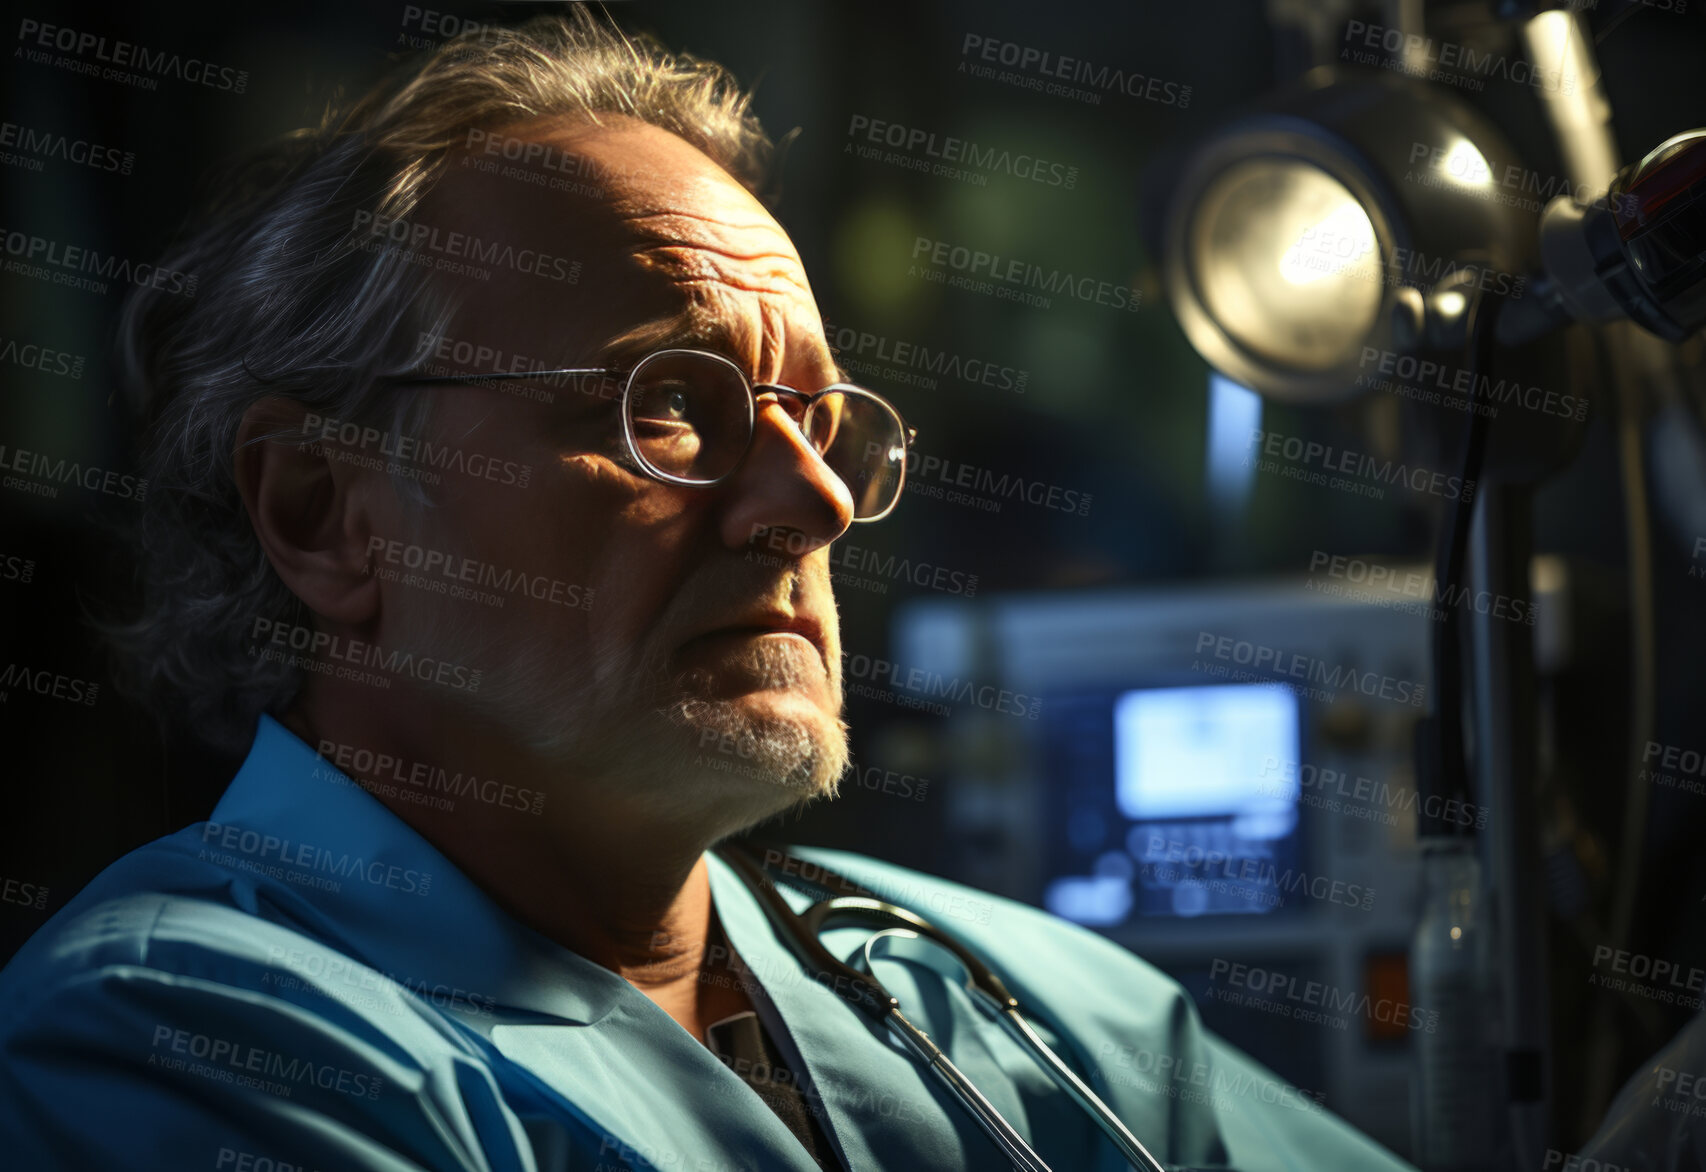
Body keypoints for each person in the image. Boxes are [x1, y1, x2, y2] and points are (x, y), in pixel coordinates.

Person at [0, 10, 1416, 1170]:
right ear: (326, 512)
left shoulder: (999, 1000)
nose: (810, 503)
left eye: (823, 421)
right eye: (671, 405)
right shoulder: (182, 1040)